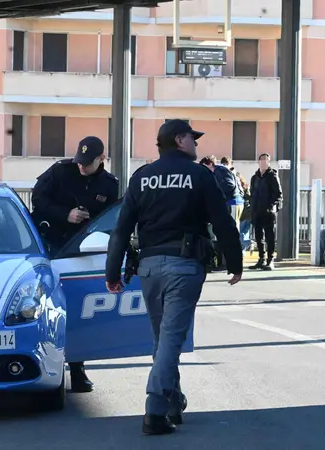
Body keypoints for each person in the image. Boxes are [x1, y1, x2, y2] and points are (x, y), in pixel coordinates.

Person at [104, 119, 242, 436]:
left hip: (149, 267)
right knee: (170, 339)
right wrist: (235, 262)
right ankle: (154, 410)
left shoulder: (142, 177)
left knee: (162, 339)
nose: (196, 144)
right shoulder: (199, 176)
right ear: (179, 140)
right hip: (184, 266)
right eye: (192, 138)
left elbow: (121, 228)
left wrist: (112, 272)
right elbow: (222, 222)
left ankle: (172, 402)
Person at [30, 135, 119, 393]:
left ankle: (78, 368)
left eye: (87, 163)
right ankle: (45, 368)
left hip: (83, 252)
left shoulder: (109, 185)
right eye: (79, 161)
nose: (81, 166)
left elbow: (111, 220)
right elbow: (38, 200)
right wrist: (65, 214)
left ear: (102, 159)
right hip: (50, 247)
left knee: (77, 311)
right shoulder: (60, 171)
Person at [248, 153, 282, 270]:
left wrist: (273, 206)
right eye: (261, 160)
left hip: (268, 211)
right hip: (256, 211)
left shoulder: (272, 176)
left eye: (266, 160)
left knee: (269, 236)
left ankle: (270, 259)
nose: (263, 162)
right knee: (258, 236)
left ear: (269, 162)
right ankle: (261, 258)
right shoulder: (255, 177)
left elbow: (278, 194)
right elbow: (252, 194)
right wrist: (251, 208)